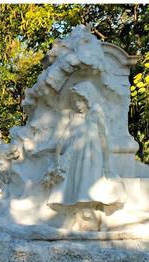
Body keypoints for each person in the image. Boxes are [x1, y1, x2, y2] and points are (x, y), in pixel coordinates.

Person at [45, 81, 124, 230]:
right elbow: (63, 137)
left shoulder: (95, 114)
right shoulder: (74, 117)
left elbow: (103, 139)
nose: (77, 104)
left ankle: (92, 217)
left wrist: (107, 163)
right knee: (76, 184)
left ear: (88, 99)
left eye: (80, 100)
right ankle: (78, 215)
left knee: (89, 185)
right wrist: (57, 156)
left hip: (92, 157)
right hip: (75, 157)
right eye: (75, 101)